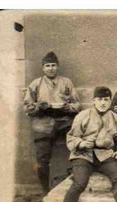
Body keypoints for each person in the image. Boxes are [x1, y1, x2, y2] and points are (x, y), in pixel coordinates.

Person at [23, 51, 81, 194]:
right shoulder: (35, 84)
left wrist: (70, 107)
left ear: (57, 67)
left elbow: (77, 104)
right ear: (43, 68)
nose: (51, 68)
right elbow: (27, 107)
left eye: (53, 65)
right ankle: (45, 191)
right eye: (47, 66)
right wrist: (38, 107)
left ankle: (71, 188)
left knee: (76, 152)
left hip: (64, 122)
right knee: (42, 161)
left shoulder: (66, 82)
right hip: (42, 124)